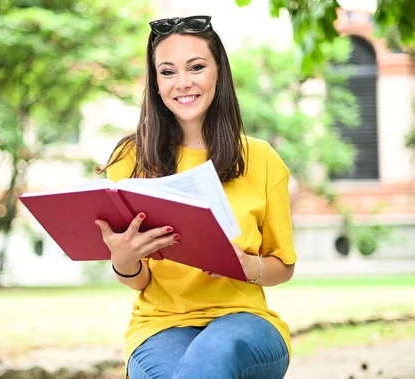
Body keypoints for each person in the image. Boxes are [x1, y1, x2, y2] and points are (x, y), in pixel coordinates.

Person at [94, 15, 297, 379]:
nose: (183, 83)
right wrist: (123, 260)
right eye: (167, 72)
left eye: (197, 67)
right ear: (155, 83)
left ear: (219, 72)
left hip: (247, 324)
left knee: (215, 351)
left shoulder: (261, 158)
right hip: (159, 328)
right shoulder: (130, 159)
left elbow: (284, 266)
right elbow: (139, 280)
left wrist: (248, 266)